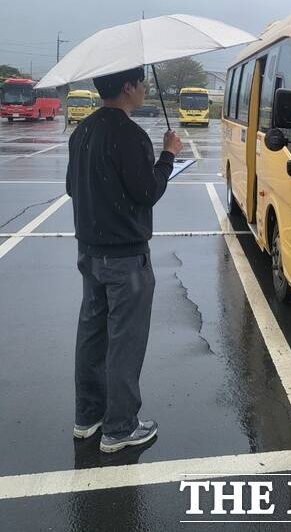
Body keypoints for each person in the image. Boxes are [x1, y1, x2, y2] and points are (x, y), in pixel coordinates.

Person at [66, 66, 183, 453]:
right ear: (128, 87)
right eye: (142, 83)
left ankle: (88, 417)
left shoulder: (82, 131)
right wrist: (168, 155)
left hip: (90, 252)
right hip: (126, 259)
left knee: (92, 334)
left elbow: (71, 187)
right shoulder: (130, 135)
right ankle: (119, 428)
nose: (145, 88)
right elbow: (147, 191)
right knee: (125, 341)